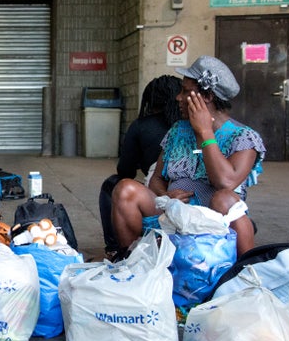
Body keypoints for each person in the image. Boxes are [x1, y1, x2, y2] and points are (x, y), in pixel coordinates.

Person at [112, 55, 266, 258]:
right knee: (125, 189)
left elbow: (225, 181)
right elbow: (157, 179)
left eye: (185, 92)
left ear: (207, 97)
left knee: (225, 199)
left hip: (212, 219)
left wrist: (205, 132)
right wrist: (165, 196)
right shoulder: (177, 130)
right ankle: (130, 261)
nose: (178, 98)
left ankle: (244, 271)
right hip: (172, 214)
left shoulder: (244, 137)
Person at [99, 75, 181, 257]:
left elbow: (125, 170)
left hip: (169, 199)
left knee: (113, 185)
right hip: (179, 197)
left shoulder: (142, 126)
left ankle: (115, 248)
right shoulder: (186, 126)